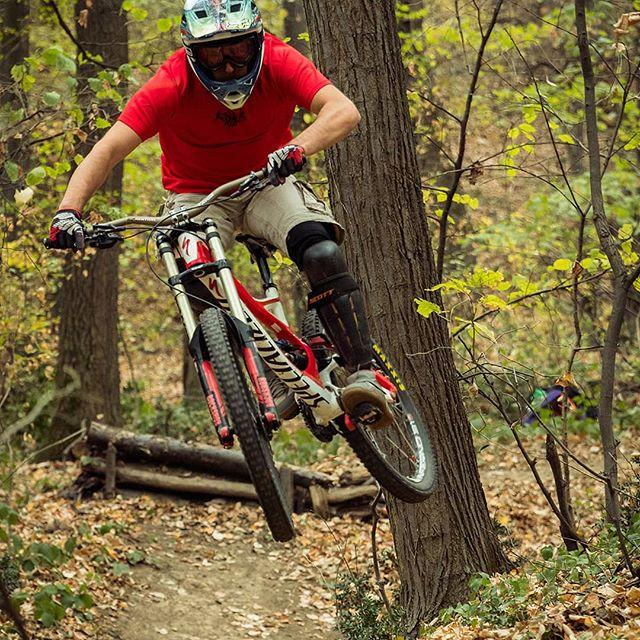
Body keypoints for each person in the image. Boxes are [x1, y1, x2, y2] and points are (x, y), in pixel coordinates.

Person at [48, 0, 393, 429]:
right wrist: (68, 211)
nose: (228, 65)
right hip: (197, 194)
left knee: (321, 251)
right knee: (196, 280)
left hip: (268, 179)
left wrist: (296, 149)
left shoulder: (278, 57)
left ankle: (363, 373)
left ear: (257, 41)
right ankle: (270, 377)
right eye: (214, 53)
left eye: (238, 50)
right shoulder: (171, 81)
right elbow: (109, 148)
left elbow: (343, 110)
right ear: (193, 52)